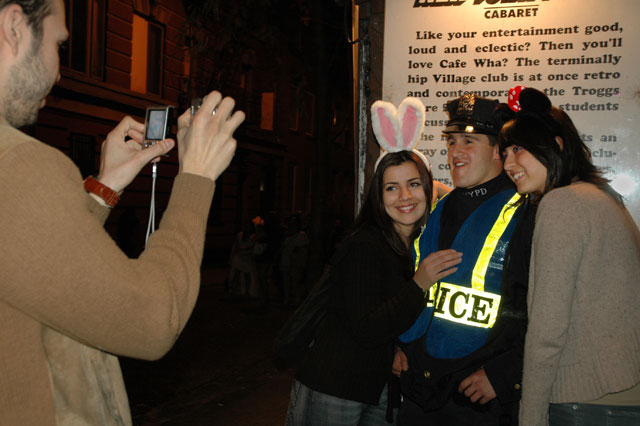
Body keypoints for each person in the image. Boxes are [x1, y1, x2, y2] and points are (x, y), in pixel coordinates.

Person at [0, 0, 245, 424]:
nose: (58, 71)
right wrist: (197, 179)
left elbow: (31, 262)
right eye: (59, 44)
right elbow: (151, 320)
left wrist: (105, 185)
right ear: (14, 25)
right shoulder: (18, 163)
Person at [284, 148, 463, 426]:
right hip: (335, 387)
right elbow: (367, 328)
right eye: (392, 188)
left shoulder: (411, 245)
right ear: (378, 197)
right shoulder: (366, 245)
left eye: (414, 184)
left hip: (377, 387)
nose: (404, 196)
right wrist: (420, 283)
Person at [499, 87, 640, 426]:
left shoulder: (562, 204)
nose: (507, 163)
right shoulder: (603, 197)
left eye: (518, 149)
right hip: (619, 390)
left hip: (587, 401)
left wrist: (530, 416)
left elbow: (547, 329)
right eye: (504, 152)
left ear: (556, 146)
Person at [395, 93, 534, 426]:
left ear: (498, 151)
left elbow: (545, 311)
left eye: (468, 141)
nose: (455, 152)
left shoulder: (527, 212)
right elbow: (402, 285)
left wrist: (504, 375)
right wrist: (396, 344)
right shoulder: (431, 207)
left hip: (478, 398)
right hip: (418, 387)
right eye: (452, 141)